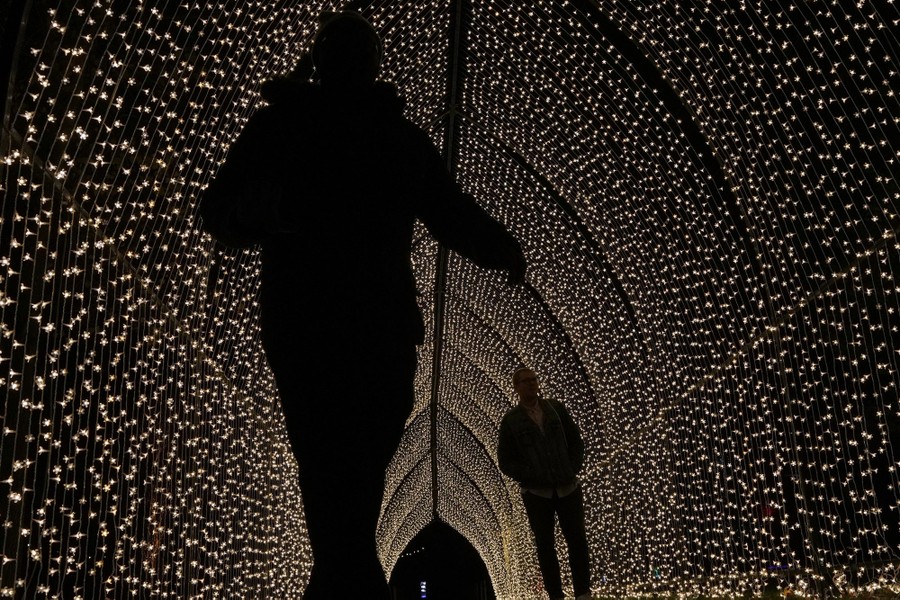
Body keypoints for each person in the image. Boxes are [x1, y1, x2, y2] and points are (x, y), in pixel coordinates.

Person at [199, 10, 526, 600]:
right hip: (331, 326)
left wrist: (499, 248)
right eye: (341, 51)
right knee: (336, 464)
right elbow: (219, 208)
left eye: (360, 51)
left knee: (344, 466)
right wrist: (255, 212)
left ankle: (340, 577)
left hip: (351, 327)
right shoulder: (288, 129)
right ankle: (349, 578)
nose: (352, 62)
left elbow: (448, 210)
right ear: (324, 60)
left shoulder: (379, 137)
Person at [497, 368, 592, 600]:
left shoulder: (555, 410)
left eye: (534, 380)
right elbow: (505, 460)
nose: (531, 384)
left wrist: (572, 468)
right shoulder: (511, 421)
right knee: (545, 546)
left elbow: (576, 440)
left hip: (567, 485)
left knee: (577, 539)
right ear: (516, 387)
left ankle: (583, 592)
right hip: (537, 492)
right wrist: (529, 475)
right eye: (525, 381)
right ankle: (555, 595)